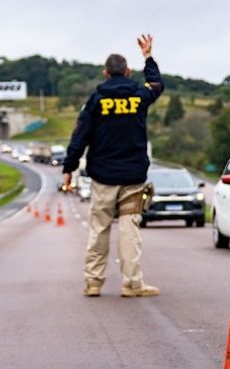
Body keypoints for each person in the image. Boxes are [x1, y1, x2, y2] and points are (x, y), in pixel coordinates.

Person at [62, 34, 164, 297]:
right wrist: (148, 56)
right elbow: (156, 84)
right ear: (128, 72)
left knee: (99, 230)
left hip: (103, 177)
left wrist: (68, 169)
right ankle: (132, 284)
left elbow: (79, 136)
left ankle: (93, 282)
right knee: (130, 230)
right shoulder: (139, 95)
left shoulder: (96, 101)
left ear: (105, 74)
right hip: (133, 177)